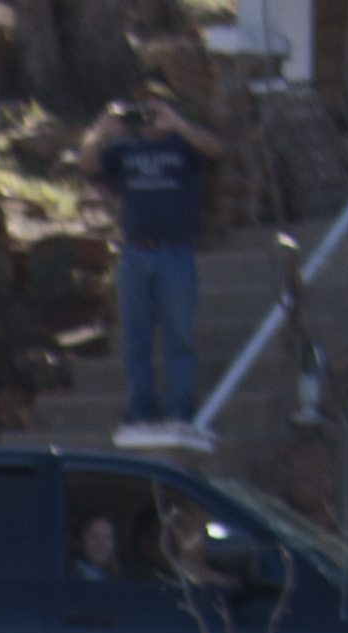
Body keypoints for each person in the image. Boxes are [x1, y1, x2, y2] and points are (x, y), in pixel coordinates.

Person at [98, 86, 223, 430]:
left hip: (175, 251)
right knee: (134, 336)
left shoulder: (184, 145)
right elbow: (86, 163)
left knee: (178, 333)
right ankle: (141, 404)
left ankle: (179, 405)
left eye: (157, 109)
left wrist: (179, 125)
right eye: (144, 111)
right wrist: (101, 130)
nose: (150, 118)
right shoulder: (125, 149)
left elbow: (216, 149)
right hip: (135, 252)